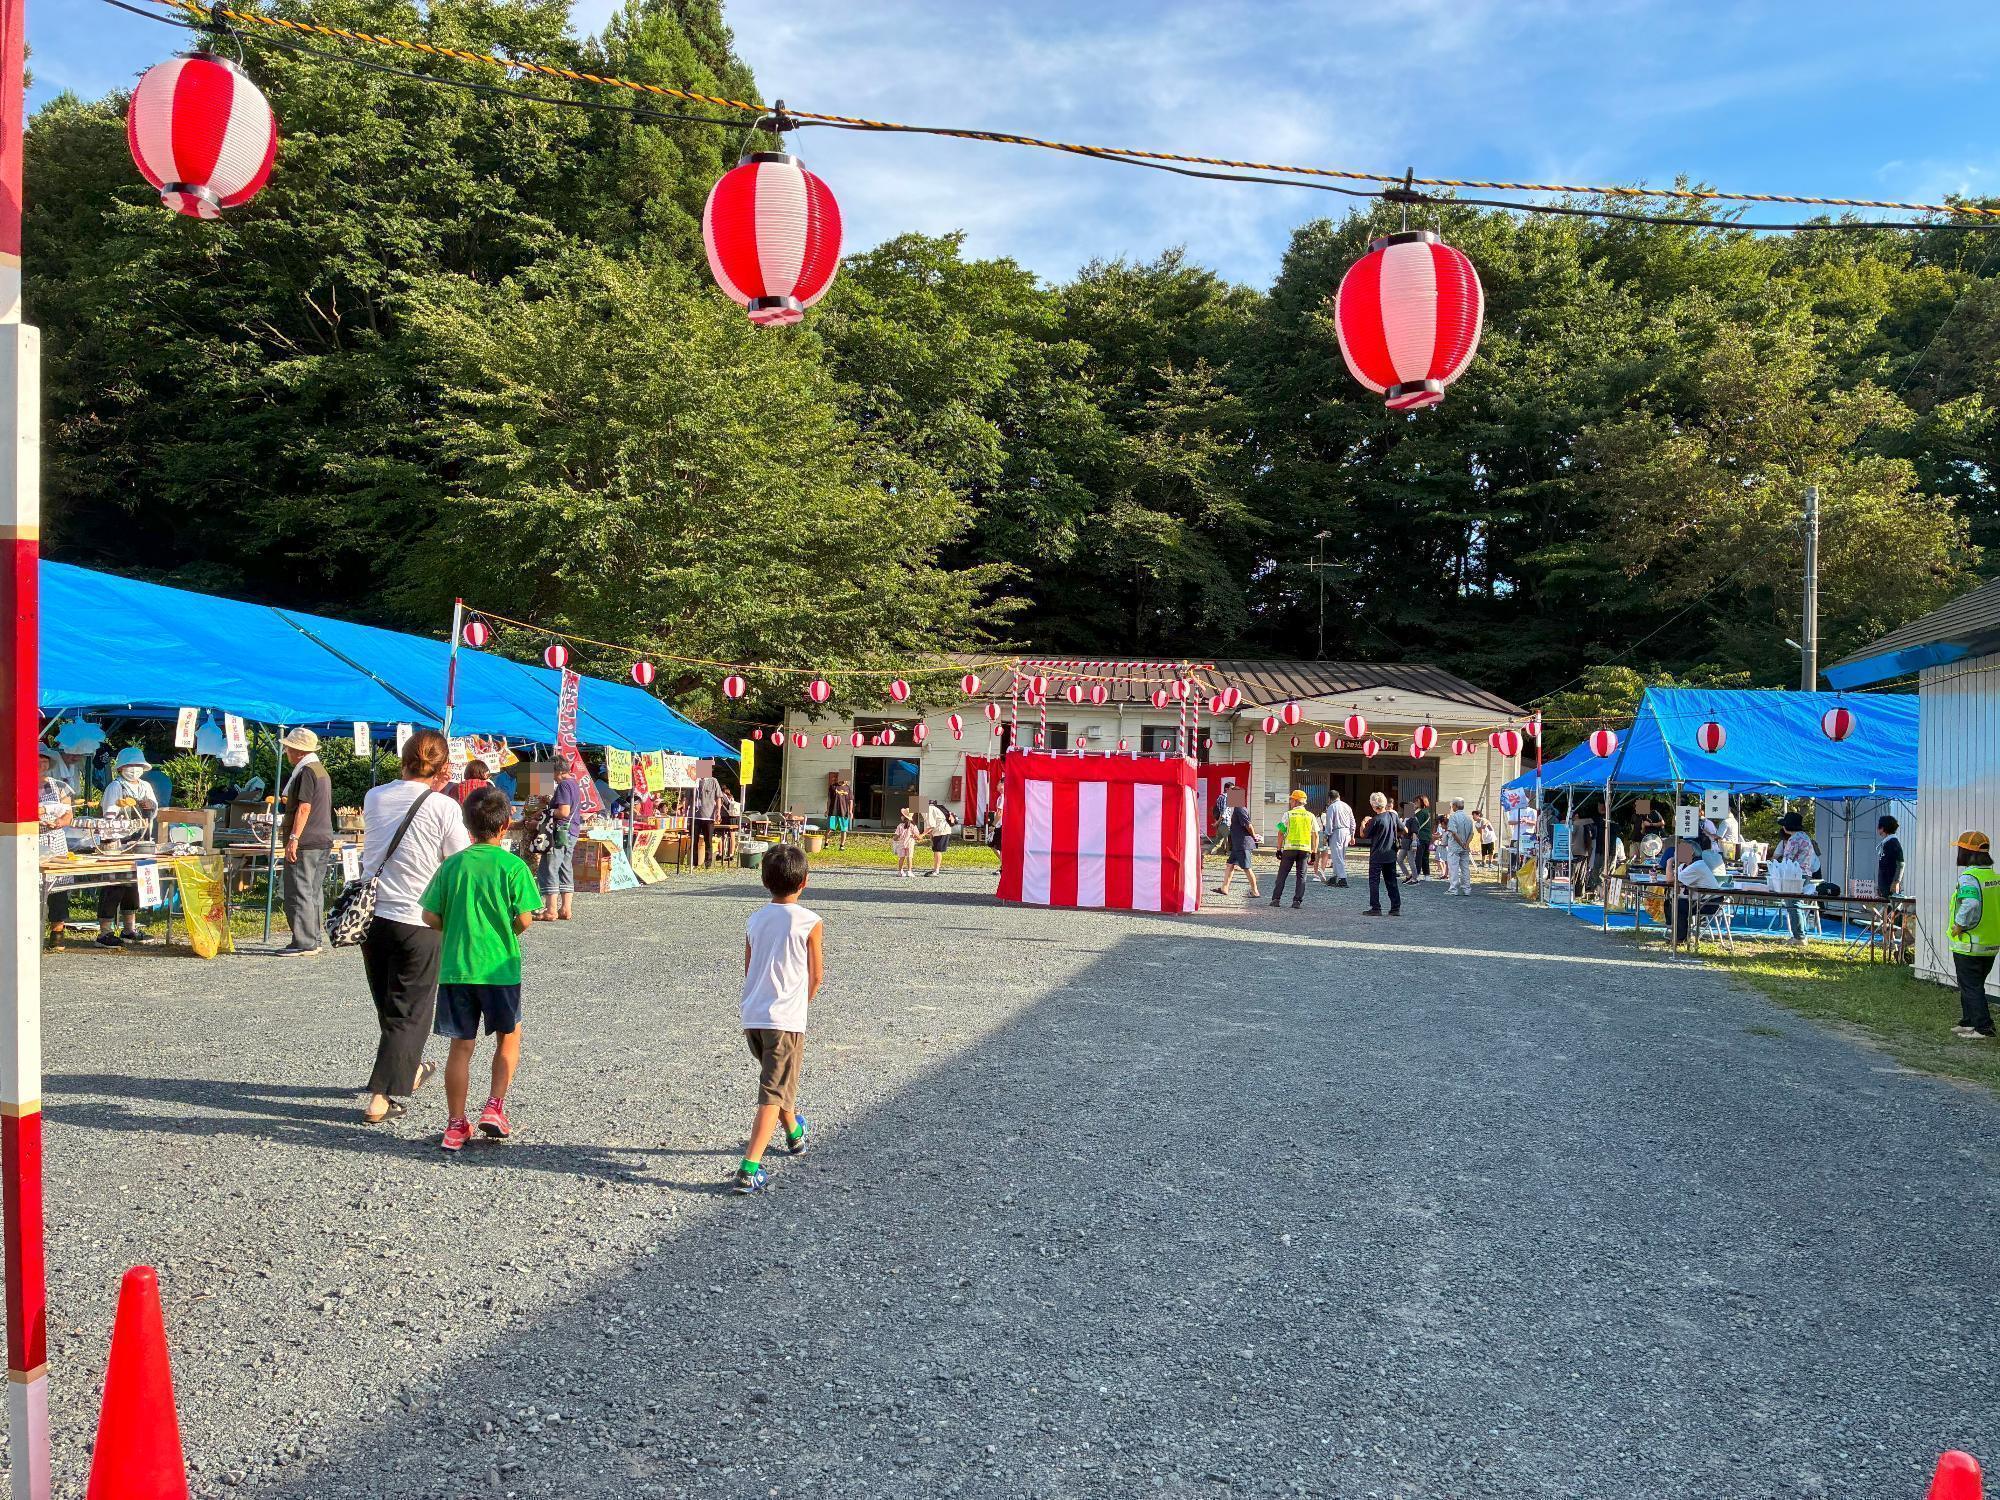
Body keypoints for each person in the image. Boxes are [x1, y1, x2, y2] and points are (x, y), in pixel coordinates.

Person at [421, 786, 543, 1151]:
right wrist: (507, 930)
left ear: (466, 825)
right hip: (499, 969)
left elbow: (429, 915)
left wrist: (456, 927)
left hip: (457, 967)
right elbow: (525, 918)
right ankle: (494, 1107)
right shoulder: (513, 866)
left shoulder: (452, 865)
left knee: (461, 1046)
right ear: (506, 825)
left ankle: (455, 1125)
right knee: (509, 1035)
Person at [358, 729, 468, 1124]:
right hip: (418, 917)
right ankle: (381, 1096)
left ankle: (409, 1068)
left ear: (403, 759)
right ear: (442, 768)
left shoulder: (374, 797)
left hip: (372, 916)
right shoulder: (444, 806)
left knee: (390, 1005)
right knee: (410, 1010)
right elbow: (458, 859)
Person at [736, 845, 824, 1194]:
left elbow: (750, 968)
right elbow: (816, 976)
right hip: (785, 1019)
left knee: (778, 1079)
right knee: (773, 1092)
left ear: (763, 880)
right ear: (805, 881)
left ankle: (794, 1133)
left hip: (753, 1015)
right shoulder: (810, 921)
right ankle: (749, 1168)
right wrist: (800, 1005)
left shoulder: (754, 920)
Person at [277, 728, 335, 957]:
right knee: (313, 892)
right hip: (323, 837)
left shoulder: (306, 771)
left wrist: (293, 838)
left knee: (299, 890)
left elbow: (304, 807)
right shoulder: (320, 770)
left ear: (299, 751)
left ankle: (304, 942)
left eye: (289, 748)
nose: (287, 751)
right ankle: (314, 939)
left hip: (307, 839)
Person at [96, 747, 159, 948]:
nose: (134, 769)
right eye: (130, 766)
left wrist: (149, 806)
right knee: (114, 884)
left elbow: (154, 809)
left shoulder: (145, 786)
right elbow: (109, 813)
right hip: (118, 841)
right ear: (121, 768)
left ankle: (129, 928)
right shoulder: (116, 786)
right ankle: (105, 931)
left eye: (138, 766)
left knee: (134, 885)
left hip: (141, 839)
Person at [1947, 830, 1998, 1040]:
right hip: (1990, 943)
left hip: (1970, 943)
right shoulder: (1994, 877)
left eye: (1960, 849)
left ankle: (1984, 1028)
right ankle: (1968, 1022)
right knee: (1972, 985)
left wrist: (1959, 924)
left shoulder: (1969, 877)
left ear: (1967, 852)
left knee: (1970, 986)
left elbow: (1971, 903)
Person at [535, 767, 582, 921]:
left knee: (549, 867)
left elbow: (563, 812)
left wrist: (545, 813)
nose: (551, 778)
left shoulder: (563, 785)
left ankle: (551, 910)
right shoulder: (574, 784)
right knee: (565, 867)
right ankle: (566, 908)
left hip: (560, 831)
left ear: (558, 771)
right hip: (572, 831)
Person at [39, 746, 74, 948]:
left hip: (56, 840)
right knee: (34, 885)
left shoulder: (60, 786)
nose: (41, 765)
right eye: (37, 761)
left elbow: (68, 813)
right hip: (33, 839)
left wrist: (60, 821)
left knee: (58, 886)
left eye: (44, 761)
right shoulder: (20, 785)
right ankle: (32, 930)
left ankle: (57, 932)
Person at [1775, 810, 1820, 943]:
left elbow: (1787, 859)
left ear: (1787, 826)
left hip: (1794, 875)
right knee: (1797, 904)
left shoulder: (1794, 839)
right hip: (1805, 873)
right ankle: (1800, 934)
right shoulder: (1805, 837)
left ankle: (1799, 936)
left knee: (1793, 904)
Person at [1269, 790, 1316, 910]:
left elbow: (1280, 832)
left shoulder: (1288, 814)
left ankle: (1276, 899)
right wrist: (1314, 852)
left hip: (1289, 849)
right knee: (1301, 876)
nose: (1290, 802)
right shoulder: (1311, 816)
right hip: (1304, 850)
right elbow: (1315, 834)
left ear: (1295, 801)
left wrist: (1278, 849)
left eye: (1291, 800)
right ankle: (1297, 901)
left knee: (1282, 874)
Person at [1671, 835, 1723, 942]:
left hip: (1710, 903)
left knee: (1678, 905)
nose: (1677, 854)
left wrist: (1668, 863)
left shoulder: (1697, 865)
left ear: (1691, 853)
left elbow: (1671, 880)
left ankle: (1681, 938)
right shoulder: (1686, 865)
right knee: (1672, 901)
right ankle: (1678, 934)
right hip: (1701, 900)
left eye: (1681, 851)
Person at [1214, 786, 1260, 898]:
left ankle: (1255, 891)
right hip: (1237, 843)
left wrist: (1254, 836)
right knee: (1230, 865)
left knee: (1246, 868)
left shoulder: (1240, 809)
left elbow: (1248, 825)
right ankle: (1224, 888)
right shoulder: (1236, 808)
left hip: (1242, 843)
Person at [1361, 792, 1402, 916]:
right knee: (1391, 881)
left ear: (1374, 806)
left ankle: (1376, 907)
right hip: (1390, 853)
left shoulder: (1375, 820)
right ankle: (1395, 907)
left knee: (1374, 881)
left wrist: (1363, 822)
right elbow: (1404, 829)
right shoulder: (1393, 816)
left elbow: (1364, 835)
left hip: (1377, 854)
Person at [690, 765, 723, 870]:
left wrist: (718, 811)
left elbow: (718, 797)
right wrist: (685, 810)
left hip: (709, 816)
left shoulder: (713, 781)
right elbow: (687, 797)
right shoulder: (694, 780)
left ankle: (708, 863)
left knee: (708, 840)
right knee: (694, 839)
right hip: (695, 815)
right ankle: (694, 862)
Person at [1322, 788, 1355, 888]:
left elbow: (1329, 823)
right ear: (1339, 796)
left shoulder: (1332, 807)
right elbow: (1352, 822)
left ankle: (1342, 879)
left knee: (1337, 856)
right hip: (1347, 832)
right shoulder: (1347, 806)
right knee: (1341, 855)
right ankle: (1334, 877)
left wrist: (1326, 835)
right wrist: (1352, 835)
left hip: (1337, 832)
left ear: (1330, 798)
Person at [1443, 798, 1476, 895]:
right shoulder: (1468, 818)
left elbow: (1454, 833)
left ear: (1455, 806)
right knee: (1465, 868)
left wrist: (1461, 843)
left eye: (1452, 805)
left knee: (1454, 868)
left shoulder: (1453, 817)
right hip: (1465, 847)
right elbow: (1471, 833)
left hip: (1455, 846)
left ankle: (1453, 889)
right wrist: (1466, 844)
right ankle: (1467, 889)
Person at [922, 798, 955, 876]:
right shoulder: (933, 808)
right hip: (940, 830)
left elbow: (931, 825)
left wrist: (921, 835)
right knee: (936, 850)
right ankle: (935, 869)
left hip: (941, 831)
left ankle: (936, 871)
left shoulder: (928, 809)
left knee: (937, 850)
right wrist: (931, 835)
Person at [1876, 815, 1906, 897]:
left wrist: (1896, 882)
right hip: (1885, 887)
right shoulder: (1887, 843)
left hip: (1891, 889)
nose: (1877, 829)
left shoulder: (1893, 843)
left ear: (1882, 828)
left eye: (1878, 827)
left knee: (1892, 905)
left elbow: (1901, 864)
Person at [827, 775, 855, 852]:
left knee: (844, 829)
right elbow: (829, 800)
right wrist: (827, 810)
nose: (845, 780)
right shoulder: (833, 787)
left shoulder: (848, 788)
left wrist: (850, 811)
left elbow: (851, 801)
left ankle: (842, 845)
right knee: (829, 828)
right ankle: (826, 843)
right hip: (833, 811)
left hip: (844, 812)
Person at [1411, 796, 1435, 882]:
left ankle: (1417, 874)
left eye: (1417, 801)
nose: (1415, 803)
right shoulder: (1427, 811)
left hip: (1420, 837)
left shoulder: (1420, 812)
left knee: (1418, 856)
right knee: (1425, 856)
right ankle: (1427, 874)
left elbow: (1415, 825)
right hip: (1427, 837)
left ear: (1421, 802)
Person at [891, 807, 918, 878]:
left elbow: (896, 836)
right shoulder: (913, 826)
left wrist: (894, 839)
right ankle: (909, 871)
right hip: (910, 843)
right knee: (909, 857)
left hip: (901, 844)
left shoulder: (900, 826)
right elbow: (917, 835)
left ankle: (900, 871)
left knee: (901, 858)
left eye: (902, 815)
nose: (901, 816)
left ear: (904, 817)